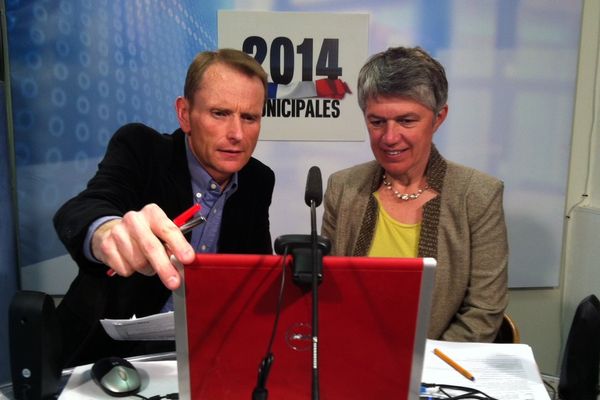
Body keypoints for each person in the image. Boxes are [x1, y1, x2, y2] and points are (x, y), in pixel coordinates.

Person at [53, 48, 275, 367]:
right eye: (220, 113)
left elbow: (254, 267)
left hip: (206, 354)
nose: (237, 134)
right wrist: (108, 232)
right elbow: (84, 208)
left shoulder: (258, 179)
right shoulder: (142, 149)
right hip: (106, 356)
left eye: (250, 117)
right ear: (184, 114)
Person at [321, 46, 508, 342]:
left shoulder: (478, 195)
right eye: (377, 121)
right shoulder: (343, 187)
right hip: (351, 359)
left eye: (407, 121)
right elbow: (327, 293)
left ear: (438, 118)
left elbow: (483, 312)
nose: (390, 137)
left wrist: (419, 368)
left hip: (436, 372)